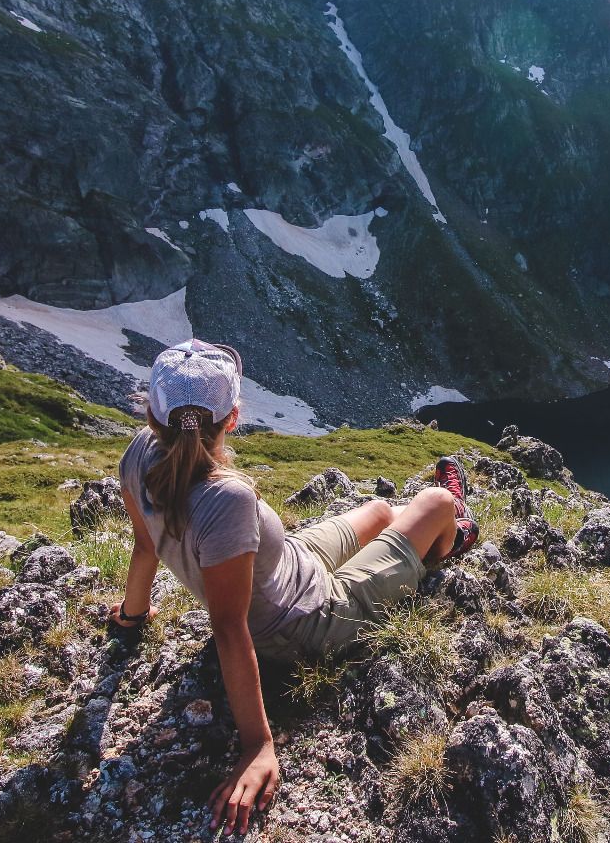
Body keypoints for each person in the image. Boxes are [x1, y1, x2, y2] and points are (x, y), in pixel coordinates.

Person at [108, 339, 479, 836]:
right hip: (306, 620)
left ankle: (424, 527)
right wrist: (258, 745)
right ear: (232, 417)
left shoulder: (137, 456)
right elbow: (229, 627)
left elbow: (144, 545)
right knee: (432, 501)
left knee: (379, 511)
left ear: (153, 412)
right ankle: (454, 532)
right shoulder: (227, 498)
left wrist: (132, 616)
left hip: (287, 562)